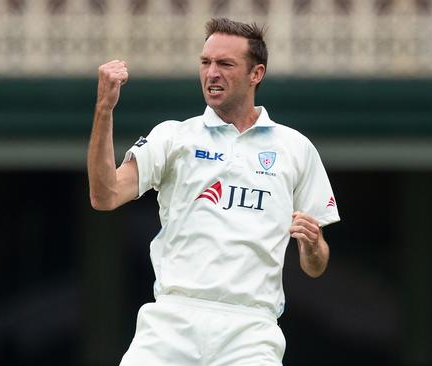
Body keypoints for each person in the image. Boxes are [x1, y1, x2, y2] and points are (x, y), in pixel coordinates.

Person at [87, 17, 340, 366]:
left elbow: (316, 266)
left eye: (225, 64)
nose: (212, 73)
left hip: (251, 330)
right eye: (205, 63)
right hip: (172, 320)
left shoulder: (295, 148)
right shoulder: (175, 136)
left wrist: (313, 244)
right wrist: (103, 110)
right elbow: (105, 195)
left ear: (257, 74)